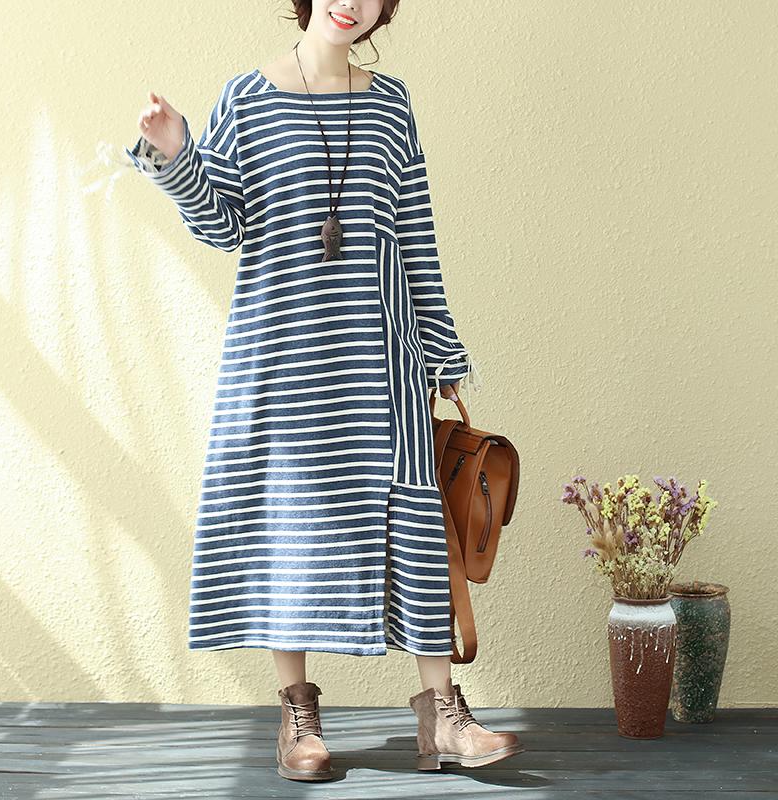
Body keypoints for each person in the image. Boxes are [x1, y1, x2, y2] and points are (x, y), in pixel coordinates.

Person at [125, 0, 523, 781]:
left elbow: (415, 235)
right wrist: (175, 155)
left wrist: (441, 349)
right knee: (288, 525)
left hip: (380, 355)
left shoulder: (391, 103)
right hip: (282, 354)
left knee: (416, 528)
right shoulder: (247, 96)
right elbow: (223, 225)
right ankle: (298, 718)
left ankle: (444, 715)